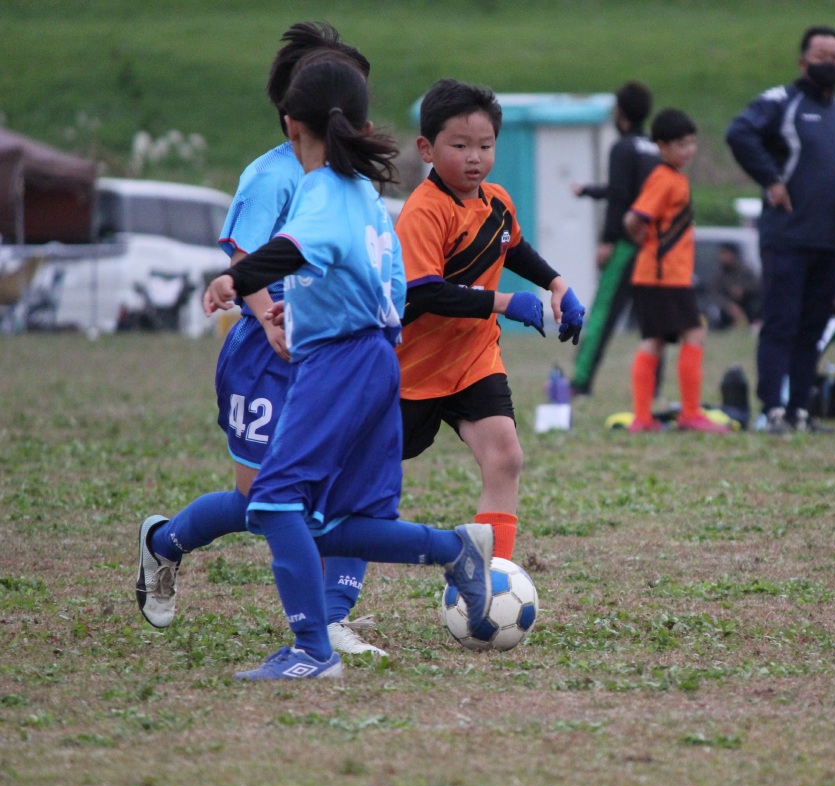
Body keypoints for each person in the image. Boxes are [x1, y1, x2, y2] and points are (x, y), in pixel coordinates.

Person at [188, 58, 493, 680]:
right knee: (331, 526)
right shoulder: (366, 196)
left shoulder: (322, 189)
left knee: (274, 503)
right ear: (362, 125)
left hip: (340, 362)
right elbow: (384, 286)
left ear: (291, 124)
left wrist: (235, 280)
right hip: (378, 357)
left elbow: (291, 248)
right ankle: (455, 549)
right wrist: (304, 315)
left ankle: (311, 651)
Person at [135, 23, 387, 658]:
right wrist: (271, 318)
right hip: (267, 353)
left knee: (344, 486)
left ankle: (330, 618)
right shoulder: (272, 176)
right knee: (258, 500)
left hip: (333, 352)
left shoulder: (349, 179)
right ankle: (162, 543)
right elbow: (247, 258)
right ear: (297, 111)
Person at [394, 78, 585, 563]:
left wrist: (556, 284)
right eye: (459, 146)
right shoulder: (423, 212)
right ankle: (328, 578)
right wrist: (503, 302)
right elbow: (425, 291)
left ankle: (492, 578)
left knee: (505, 456)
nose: (474, 157)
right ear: (427, 149)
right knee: (365, 479)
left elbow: (512, 247)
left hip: (473, 358)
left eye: (485, 145)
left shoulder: (496, 200)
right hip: (409, 369)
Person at [727, 24, 835, 434]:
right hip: (787, 237)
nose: (830, 63)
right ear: (803, 62)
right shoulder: (781, 102)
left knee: (812, 330)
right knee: (781, 324)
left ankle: (800, 411)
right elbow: (739, 133)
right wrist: (771, 179)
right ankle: (772, 409)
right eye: (821, 56)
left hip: (829, 242)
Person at [623, 108, 728, 434]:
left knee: (655, 340)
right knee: (693, 334)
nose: (689, 150)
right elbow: (634, 217)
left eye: (691, 143)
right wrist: (642, 239)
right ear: (662, 146)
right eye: (681, 144)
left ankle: (644, 418)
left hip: (664, 275)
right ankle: (689, 414)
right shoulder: (664, 178)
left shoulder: (674, 178)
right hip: (662, 276)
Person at [570, 81, 661, 397]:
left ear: (620, 112)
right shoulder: (653, 149)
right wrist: (589, 190)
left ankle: (581, 382)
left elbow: (621, 197)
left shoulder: (622, 148)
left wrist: (608, 240)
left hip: (626, 246)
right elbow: (632, 191)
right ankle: (654, 388)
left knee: (603, 312)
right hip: (653, 246)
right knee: (653, 320)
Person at [707, 243, 761, 330]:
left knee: (756, 306)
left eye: (726, 254)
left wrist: (743, 290)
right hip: (727, 306)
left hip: (746, 302)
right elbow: (714, 293)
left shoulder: (745, 270)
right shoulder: (718, 274)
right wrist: (728, 305)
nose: (723, 257)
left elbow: (756, 285)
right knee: (716, 311)